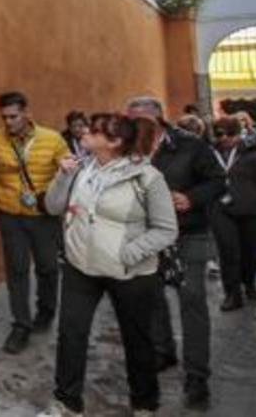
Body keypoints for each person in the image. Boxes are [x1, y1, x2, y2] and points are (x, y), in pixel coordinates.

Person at [37, 113, 178, 417]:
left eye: (95, 131)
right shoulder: (80, 169)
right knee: (71, 334)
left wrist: (127, 253)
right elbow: (52, 207)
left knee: (137, 339)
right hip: (80, 267)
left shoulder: (147, 178)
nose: (85, 133)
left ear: (114, 143)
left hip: (130, 274)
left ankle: (144, 404)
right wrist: (62, 176)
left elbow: (166, 230)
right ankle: (67, 402)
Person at [125, 96, 225, 410]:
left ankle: (197, 377)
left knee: (192, 301)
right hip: (148, 236)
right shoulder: (128, 147)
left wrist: (191, 198)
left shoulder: (191, 145)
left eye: (139, 120)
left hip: (188, 233)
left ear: (158, 119)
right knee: (151, 297)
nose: (133, 126)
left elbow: (219, 180)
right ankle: (163, 351)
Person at [0, 91, 70, 354]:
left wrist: (66, 170)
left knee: (48, 267)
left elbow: (67, 178)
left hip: (43, 216)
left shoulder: (52, 139)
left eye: (14, 116)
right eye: (4, 117)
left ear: (27, 113)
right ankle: (21, 325)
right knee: (16, 269)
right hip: (10, 215)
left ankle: (46, 311)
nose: (8, 122)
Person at [208, 117, 256, 311]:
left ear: (239, 134)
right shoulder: (208, 155)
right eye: (220, 134)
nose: (225, 138)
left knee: (249, 252)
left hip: (253, 212)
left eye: (230, 134)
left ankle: (249, 282)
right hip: (222, 211)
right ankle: (232, 294)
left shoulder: (254, 155)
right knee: (228, 252)